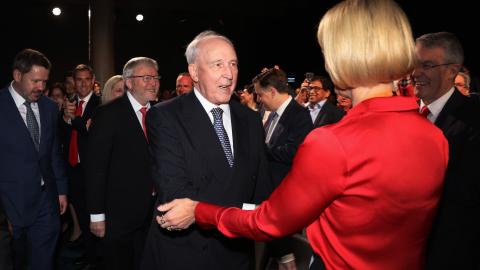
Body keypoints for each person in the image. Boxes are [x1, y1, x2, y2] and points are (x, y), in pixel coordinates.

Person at [155, 1, 450, 269]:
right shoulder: (435, 137)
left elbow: (269, 221)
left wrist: (201, 211)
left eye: (327, 50)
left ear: (345, 56)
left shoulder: (333, 143)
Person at [141, 30, 272, 270]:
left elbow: (262, 190)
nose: (229, 74)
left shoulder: (251, 120)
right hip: (185, 255)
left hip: (237, 254)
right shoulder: (166, 116)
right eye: (218, 64)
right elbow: (176, 195)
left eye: (233, 64)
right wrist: (244, 212)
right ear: (194, 72)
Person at [412, 32, 480, 270]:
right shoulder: (401, 114)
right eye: (413, 64)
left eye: (427, 65)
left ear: (453, 71)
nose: (416, 73)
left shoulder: (473, 118)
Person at [85, 57, 158, 270]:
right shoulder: (109, 114)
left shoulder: (161, 114)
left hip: (154, 214)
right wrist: (96, 214)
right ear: (129, 82)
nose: (153, 82)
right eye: (146, 77)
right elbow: (95, 168)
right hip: (118, 215)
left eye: (155, 77)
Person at [0, 48, 68, 270]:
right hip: (11, 204)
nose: (41, 87)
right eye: (35, 81)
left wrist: (60, 190)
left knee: (43, 261)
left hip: (46, 202)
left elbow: (53, 153)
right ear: (17, 75)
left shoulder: (49, 107)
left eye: (44, 81)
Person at [253, 67, 313, 269]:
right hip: (267, 189)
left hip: (284, 190)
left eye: (260, 94)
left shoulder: (299, 115)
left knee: (282, 245)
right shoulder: (268, 113)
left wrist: (259, 150)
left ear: (271, 91)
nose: (259, 100)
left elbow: (292, 152)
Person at [60, 63, 101, 267]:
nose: (83, 83)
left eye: (87, 79)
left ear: (93, 80)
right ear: (74, 82)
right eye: (79, 79)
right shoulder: (69, 102)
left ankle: (96, 259)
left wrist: (72, 119)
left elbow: (90, 134)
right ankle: (89, 253)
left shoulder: (100, 104)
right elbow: (62, 135)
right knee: (82, 217)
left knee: (95, 215)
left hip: (91, 171)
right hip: (72, 168)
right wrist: (66, 119)